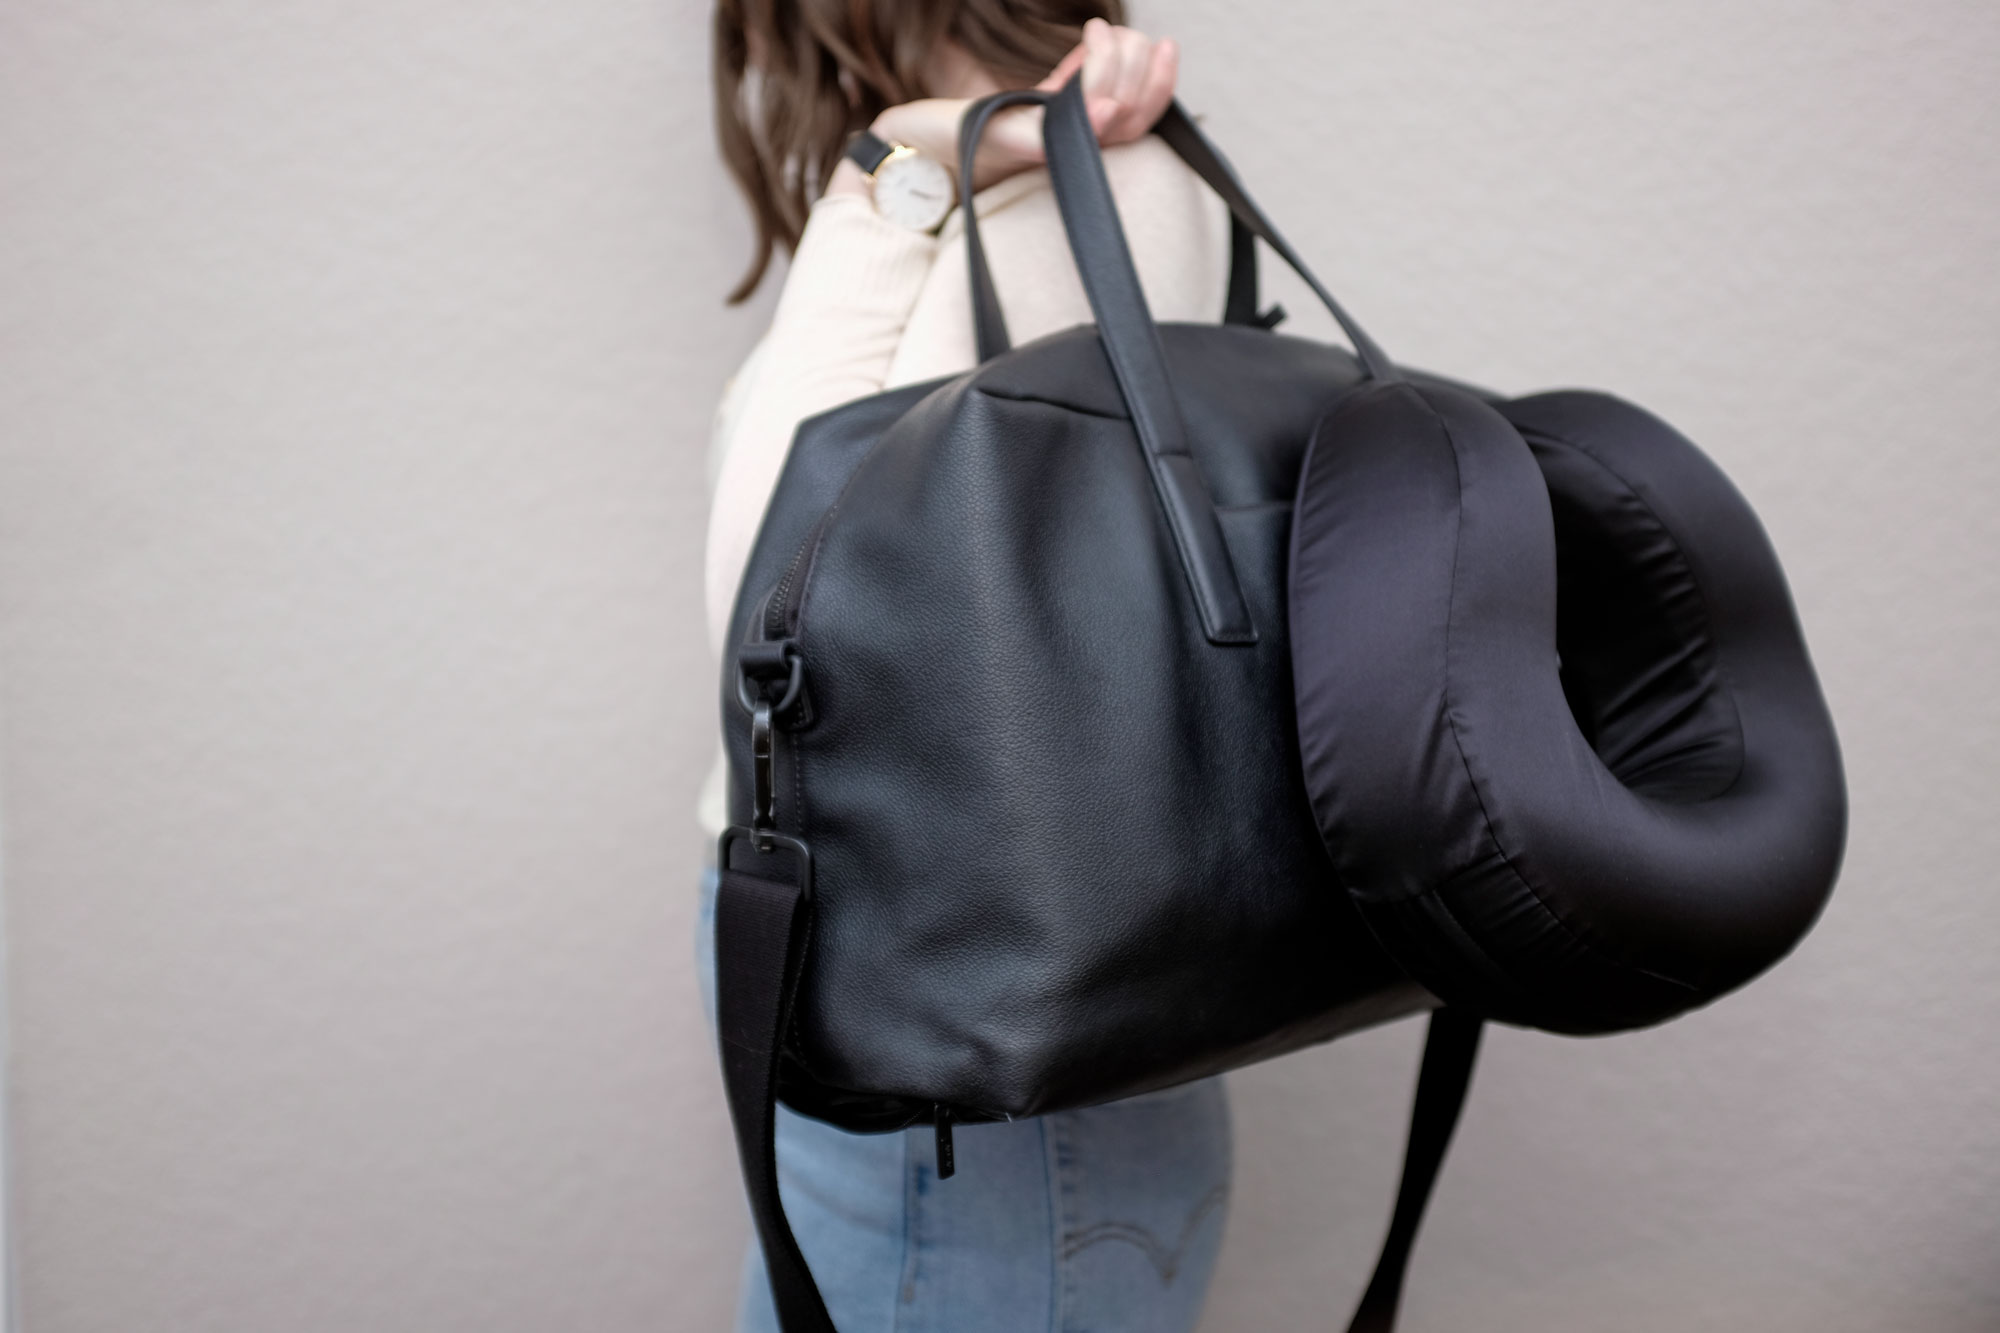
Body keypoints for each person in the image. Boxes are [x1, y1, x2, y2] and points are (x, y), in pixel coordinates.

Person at [697, 6, 1236, 1329]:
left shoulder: (1062, 198)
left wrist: (893, 165)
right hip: (990, 1045)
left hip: (970, 1066)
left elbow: (768, 593)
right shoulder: (1064, 183)